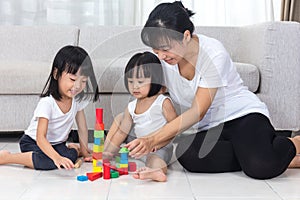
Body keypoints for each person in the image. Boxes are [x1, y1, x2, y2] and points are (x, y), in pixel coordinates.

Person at [125, 1, 300, 180]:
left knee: (261, 168)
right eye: (155, 50)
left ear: (185, 36)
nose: (160, 56)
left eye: (165, 49)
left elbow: (197, 112)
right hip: (212, 127)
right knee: (189, 155)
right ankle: (254, 152)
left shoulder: (214, 53)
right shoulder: (163, 60)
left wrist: (151, 140)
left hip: (243, 116)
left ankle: (293, 143)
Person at [0, 45, 99, 170]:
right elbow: (41, 138)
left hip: (57, 144)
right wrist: (56, 157)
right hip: (33, 142)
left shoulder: (77, 102)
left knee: (69, 158)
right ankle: (8, 157)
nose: (77, 86)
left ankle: (74, 150)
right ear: (56, 74)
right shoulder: (47, 103)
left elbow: (82, 128)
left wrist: (85, 152)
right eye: (73, 79)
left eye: (83, 81)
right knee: (48, 162)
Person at [104, 51, 177, 182]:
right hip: (139, 147)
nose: (135, 86)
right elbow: (122, 132)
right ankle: (108, 152)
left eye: (141, 82)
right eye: (131, 81)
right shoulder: (131, 106)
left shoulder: (162, 102)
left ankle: (156, 172)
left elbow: (175, 127)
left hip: (159, 147)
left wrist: (159, 144)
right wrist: (108, 152)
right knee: (120, 126)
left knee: (153, 159)